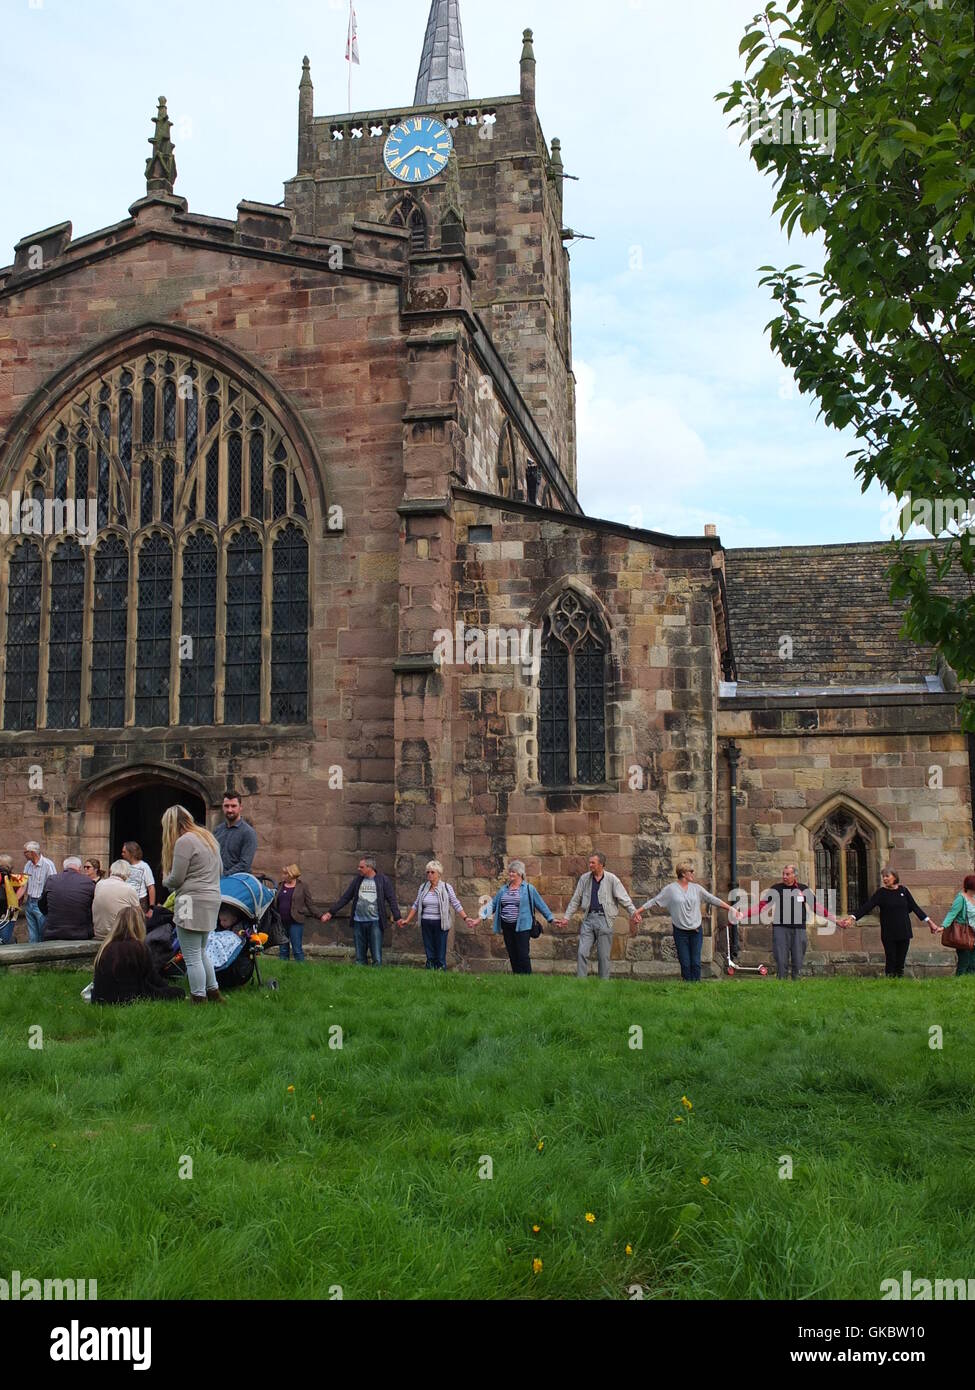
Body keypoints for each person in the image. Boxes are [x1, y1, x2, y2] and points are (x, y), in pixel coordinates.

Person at [733, 862, 843, 981]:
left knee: (798, 958)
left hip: (799, 928)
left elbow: (817, 907)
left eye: (788, 874)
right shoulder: (776, 889)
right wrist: (743, 914)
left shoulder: (803, 889)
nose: (784, 876)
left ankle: (796, 980)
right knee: (781, 958)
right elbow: (761, 907)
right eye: (783, 874)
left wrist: (836, 921)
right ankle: (782, 982)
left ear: (794, 875)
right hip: (780, 928)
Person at [161, 804, 224, 1004]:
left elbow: (177, 879)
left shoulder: (184, 841)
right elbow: (220, 870)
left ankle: (198, 997)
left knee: (191, 955)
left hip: (190, 900)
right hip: (212, 899)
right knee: (201, 950)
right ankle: (213, 993)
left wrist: (164, 880)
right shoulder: (207, 837)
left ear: (171, 824)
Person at [638, 862, 735, 982]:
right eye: (691, 871)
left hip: (696, 931)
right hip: (680, 932)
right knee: (685, 963)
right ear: (683, 873)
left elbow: (712, 899)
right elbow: (654, 901)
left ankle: (695, 986)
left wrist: (731, 908)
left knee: (695, 962)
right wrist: (638, 911)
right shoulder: (670, 890)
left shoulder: (696, 889)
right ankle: (687, 985)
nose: (693, 873)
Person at [556, 852, 641, 980]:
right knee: (581, 952)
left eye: (592, 863)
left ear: (601, 864)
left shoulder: (612, 879)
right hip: (588, 919)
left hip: (605, 920)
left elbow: (624, 899)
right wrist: (566, 918)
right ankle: (581, 982)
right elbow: (575, 900)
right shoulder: (584, 879)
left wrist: (634, 913)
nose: (590, 865)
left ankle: (603, 984)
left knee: (603, 956)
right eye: (589, 862)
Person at [840, 869, 936, 977]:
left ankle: (899, 980)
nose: (885, 879)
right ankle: (890, 980)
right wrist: (852, 918)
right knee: (891, 959)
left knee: (900, 960)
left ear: (894, 877)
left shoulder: (904, 891)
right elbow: (867, 906)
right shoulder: (881, 893)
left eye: (887, 876)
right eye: (883, 877)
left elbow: (915, 907)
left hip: (904, 931)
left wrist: (930, 923)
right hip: (889, 932)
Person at [91, 906, 184, 1005]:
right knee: (177, 992)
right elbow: (152, 979)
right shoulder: (138, 948)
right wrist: (168, 989)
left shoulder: (106, 947)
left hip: (100, 997)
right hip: (126, 997)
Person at [398, 861, 478, 970]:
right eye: (428, 872)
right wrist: (407, 920)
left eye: (432, 872)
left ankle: (441, 969)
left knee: (440, 950)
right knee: (429, 949)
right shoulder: (423, 887)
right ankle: (430, 969)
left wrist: (465, 917)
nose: (429, 874)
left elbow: (455, 903)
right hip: (426, 922)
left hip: (440, 923)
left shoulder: (446, 887)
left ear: (439, 874)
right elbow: (416, 904)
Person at [322, 856, 400, 967]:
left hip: (375, 922)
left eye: (361, 867)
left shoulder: (382, 880)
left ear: (370, 867)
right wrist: (330, 912)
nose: (358, 869)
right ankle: (360, 971)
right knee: (359, 955)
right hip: (358, 921)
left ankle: (376, 974)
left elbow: (392, 899)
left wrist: (398, 917)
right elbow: (346, 897)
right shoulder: (358, 880)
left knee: (376, 955)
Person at [482, 860, 554, 976]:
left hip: (523, 926)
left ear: (520, 874)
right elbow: (493, 905)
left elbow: (541, 904)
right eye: (510, 872)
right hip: (507, 926)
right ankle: (517, 978)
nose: (510, 874)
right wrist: (480, 917)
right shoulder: (504, 889)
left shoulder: (529, 889)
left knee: (522, 954)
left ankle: (527, 978)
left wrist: (551, 918)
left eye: (513, 872)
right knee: (512, 954)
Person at [276, 864, 325, 963]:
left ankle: (301, 969)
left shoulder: (302, 887)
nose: (283, 876)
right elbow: (275, 902)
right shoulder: (280, 885)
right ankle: (282, 970)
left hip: (295, 922)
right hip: (281, 922)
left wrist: (320, 915)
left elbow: (310, 904)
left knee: (297, 949)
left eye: (286, 874)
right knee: (283, 950)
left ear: (292, 874)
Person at [40, 857, 95, 941]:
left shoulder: (52, 880)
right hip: (80, 933)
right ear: (79, 868)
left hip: (53, 932)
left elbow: (41, 905)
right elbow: (93, 908)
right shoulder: (88, 881)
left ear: (64, 868)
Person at [931, 874, 975, 976]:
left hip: (974, 934)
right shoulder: (961, 898)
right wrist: (943, 926)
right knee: (964, 962)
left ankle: (969, 983)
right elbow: (952, 913)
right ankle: (959, 981)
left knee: (973, 963)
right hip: (965, 935)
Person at [92, 860, 142, 942]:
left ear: (111, 870)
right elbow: (139, 914)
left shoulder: (99, 884)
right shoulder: (129, 889)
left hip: (99, 933)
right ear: (128, 873)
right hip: (118, 935)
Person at [20, 841, 56, 943]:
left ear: (32, 852)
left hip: (41, 903)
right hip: (30, 901)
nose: (24, 855)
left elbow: (52, 886)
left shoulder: (48, 865)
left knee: (42, 934)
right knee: (32, 935)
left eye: (25, 852)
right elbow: (24, 885)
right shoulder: (28, 865)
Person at [214, 792, 258, 875]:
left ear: (240, 807)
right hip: (216, 879)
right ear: (222, 807)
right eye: (226, 806)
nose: (229, 810)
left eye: (233, 806)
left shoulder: (248, 832)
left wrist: (224, 876)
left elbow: (245, 864)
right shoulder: (217, 830)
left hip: (238, 880)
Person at [0, 854, 27, 945]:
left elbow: (19, 897)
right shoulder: (18, 880)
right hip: (11, 911)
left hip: (10, 912)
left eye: (5, 866)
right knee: (5, 936)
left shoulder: (16, 879)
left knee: (5, 937)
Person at [121, 842, 156, 910]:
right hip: (125, 901)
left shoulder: (144, 866)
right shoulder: (123, 865)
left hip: (140, 902)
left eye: (124, 852)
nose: (122, 854)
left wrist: (151, 907)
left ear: (131, 853)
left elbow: (151, 887)